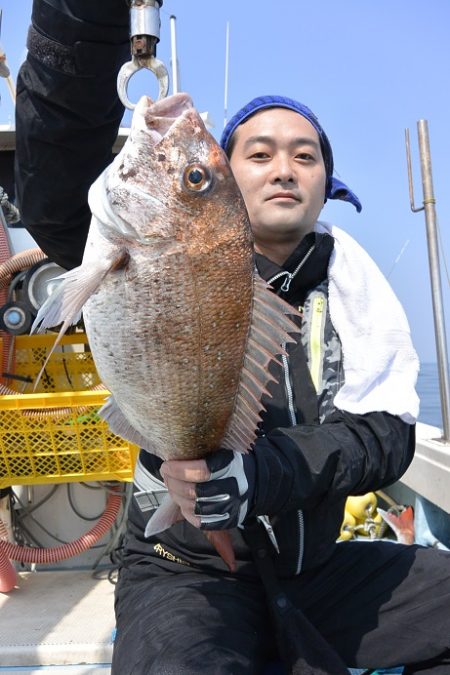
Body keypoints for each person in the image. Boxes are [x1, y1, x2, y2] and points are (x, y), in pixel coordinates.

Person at [14, 2, 450, 674]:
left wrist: (259, 473)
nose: (284, 168)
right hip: (180, 571)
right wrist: (84, 15)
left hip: (319, 569)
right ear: (230, 187)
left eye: (305, 156)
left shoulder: (351, 276)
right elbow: (57, 160)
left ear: (325, 184)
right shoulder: (143, 240)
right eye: (258, 153)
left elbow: (386, 435)